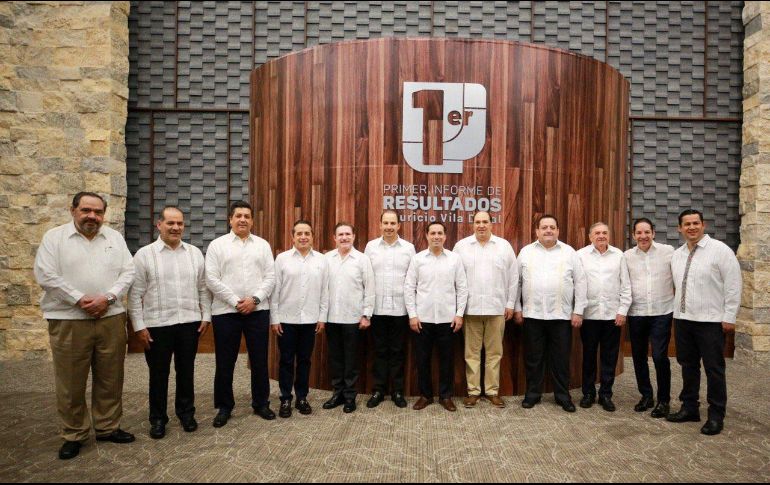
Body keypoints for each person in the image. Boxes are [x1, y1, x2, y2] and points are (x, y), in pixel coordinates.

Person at [34, 192, 136, 460]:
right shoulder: (54, 238)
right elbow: (45, 275)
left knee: (111, 377)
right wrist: (80, 299)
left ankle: (107, 426)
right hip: (69, 319)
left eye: (98, 212)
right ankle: (74, 434)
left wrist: (108, 298)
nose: (92, 216)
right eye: (86, 210)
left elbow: (128, 272)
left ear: (104, 214)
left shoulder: (114, 238)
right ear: (73, 210)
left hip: (111, 317)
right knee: (70, 381)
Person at [128, 206, 212, 439]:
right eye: (170, 223)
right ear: (159, 225)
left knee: (186, 371)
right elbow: (135, 294)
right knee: (158, 374)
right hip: (157, 325)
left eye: (180, 223)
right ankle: (158, 419)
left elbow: (203, 288)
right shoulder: (144, 255)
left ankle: (186, 413)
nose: (176, 227)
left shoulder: (194, 253)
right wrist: (138, 326)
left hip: (189, 323)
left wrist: (206, 316)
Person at [667, 209, 742, 436]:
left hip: (710, 321)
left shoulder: (720, 251)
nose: (691, 227)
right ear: (679, 228)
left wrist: (729, 316)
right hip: (683, 320)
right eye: (687, 224)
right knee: (688, 366)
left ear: (703, 225)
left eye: (695, 223)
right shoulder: (677, 254)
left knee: (714, 369)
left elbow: (733, 285)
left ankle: (716, 415)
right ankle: (690, 408)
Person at [205, 201, 276, 428]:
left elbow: (271, 277)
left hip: (257, 311)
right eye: (238, 216)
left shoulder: (262, 245)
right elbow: (211, 279)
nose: (243, 219)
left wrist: (254, 300)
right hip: (226, 312)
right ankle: (224, 406)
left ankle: (261, 403)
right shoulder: (217, 245)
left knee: (259, 360)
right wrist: (236, 302)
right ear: (230, 219)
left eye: (247, 216)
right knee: (225, 361)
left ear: (252, 221)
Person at [514, 214, 586, 413]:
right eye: (544, 227)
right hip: (532, 315)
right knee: (533, 358)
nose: (548, 230)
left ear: (558, 231)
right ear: (537, 231)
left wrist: (578, 311)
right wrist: (517, 307)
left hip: (561, 316)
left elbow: (580, 282)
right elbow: (516, 282)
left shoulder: (569, 252)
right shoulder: (526, 252)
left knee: (561, 359)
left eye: (552, 227)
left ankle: (563, 396)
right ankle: (532, 395)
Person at [453, 211, 518, 408]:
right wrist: (457, 309)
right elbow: (454, 278)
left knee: (494, 353)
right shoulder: (461, 247)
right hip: (470, 309)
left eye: (485, 222)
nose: (481, 225)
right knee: (471, 354)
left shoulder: (504, 246)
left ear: (491, 224)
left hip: (497, 309)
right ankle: (473, 392)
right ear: (472, 225)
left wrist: (510, 304)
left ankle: (492, 392)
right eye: (477, 222)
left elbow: (513, 277)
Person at [405, 222, 468, 412]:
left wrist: (459, 314)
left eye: (440, 233)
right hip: (422, 319)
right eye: (433, 233)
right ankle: (425, 395)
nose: (436, 236)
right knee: (422, 359)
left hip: (448, 320)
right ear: (427, 236)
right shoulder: (417, 259)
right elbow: (409, 288)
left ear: (445, 236)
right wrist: (412, 315)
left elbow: (462, 288)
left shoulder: (454, 259)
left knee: (447, 360)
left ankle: (445, 396)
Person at [271, 220, 329, 418]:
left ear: (312, 236)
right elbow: (275, 291)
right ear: (293, 237)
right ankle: (285, 398)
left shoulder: (321, 260)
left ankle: (302, 397)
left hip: (310, 320)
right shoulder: (282, 259)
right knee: (286, 361)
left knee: (305, 361)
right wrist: (274, 318)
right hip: (286, 320)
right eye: (299, 234)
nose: (303, 237)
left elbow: (325, 291)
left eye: (307, 234)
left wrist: (322, 317)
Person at [576, 222, 631, 412]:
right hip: (589, 315)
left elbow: (625, 285)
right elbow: (576, 285)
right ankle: (588, 393)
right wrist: (577, 311)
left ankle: (606, 394)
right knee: (589, 356)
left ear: (609, 235)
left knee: (610, 357)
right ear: (590, 237)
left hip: (612, 316)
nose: (601, 236)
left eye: (604, 232)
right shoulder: (580, 255)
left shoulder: (618, 255)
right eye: (597, 233)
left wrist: (622, 311)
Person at [624, 217, 675, 418]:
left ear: (653, 233)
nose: (643, 236)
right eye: (639, 232)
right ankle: (646, 396)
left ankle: (664, 400)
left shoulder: (668, 252)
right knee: (638, 356)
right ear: (633, 235)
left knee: (660, 356)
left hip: (662, 312)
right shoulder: (627, 256)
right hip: (637, 313)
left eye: (647, 232)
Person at [364, 210, 415, 409]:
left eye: (392, 223)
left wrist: (412, 310)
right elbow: (366, 278)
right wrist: (366, 309)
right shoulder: (371, 247)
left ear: (399, 225)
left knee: (397, 352)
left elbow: (412, 280)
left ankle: (397, 391)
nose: (389, 227)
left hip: (400, 310)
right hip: (377, 309)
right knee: (379, 352)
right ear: (380, 225)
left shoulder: (408, 248)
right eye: (385, 223)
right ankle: (378, 390)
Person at [322, 222, 375, 413]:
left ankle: (350, 397)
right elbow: (322, 289)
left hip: (354, 319)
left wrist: (366, 315)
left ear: (353, 237)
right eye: (340, 234)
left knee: (351, 360)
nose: (344, 237)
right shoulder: (326, 259)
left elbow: (370, 289)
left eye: (347, 234)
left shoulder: (362, 259)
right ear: (334, 238)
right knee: (335, 359)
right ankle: (338, 394)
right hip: (331, 318)